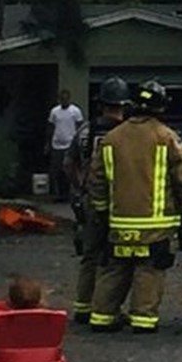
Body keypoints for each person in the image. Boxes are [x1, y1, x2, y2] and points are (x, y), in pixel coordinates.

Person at [87, 80, 182, 333]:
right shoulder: (167, 137)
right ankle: (143, 319)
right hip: (155, 224)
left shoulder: (112, 138)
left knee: (115, 268)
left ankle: (102, 316)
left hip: (119, 221)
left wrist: (103, 212)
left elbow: (97, 179)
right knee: (150, 269)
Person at [71, 79, 130, 324]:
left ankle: (83, 306)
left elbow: (69, 163)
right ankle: (105, 308)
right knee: (114, 257)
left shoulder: (86, 130)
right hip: (117, 201)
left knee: (89, 254)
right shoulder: (126, 134)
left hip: (87, 199)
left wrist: (79, 190)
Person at [46, 89, 84, 201]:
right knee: (57, 171)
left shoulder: (75, 111)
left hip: (70, 145)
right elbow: (50, 127)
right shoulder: (54, 112)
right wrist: (48, 144)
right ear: (59, 99)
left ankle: (70, 193)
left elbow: (80, 127)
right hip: (57, 145)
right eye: (62, 99)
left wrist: (78, 143)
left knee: (68, 170)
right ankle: (60, 194)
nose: (64, 101)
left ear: (69, 98)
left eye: (66, 99)